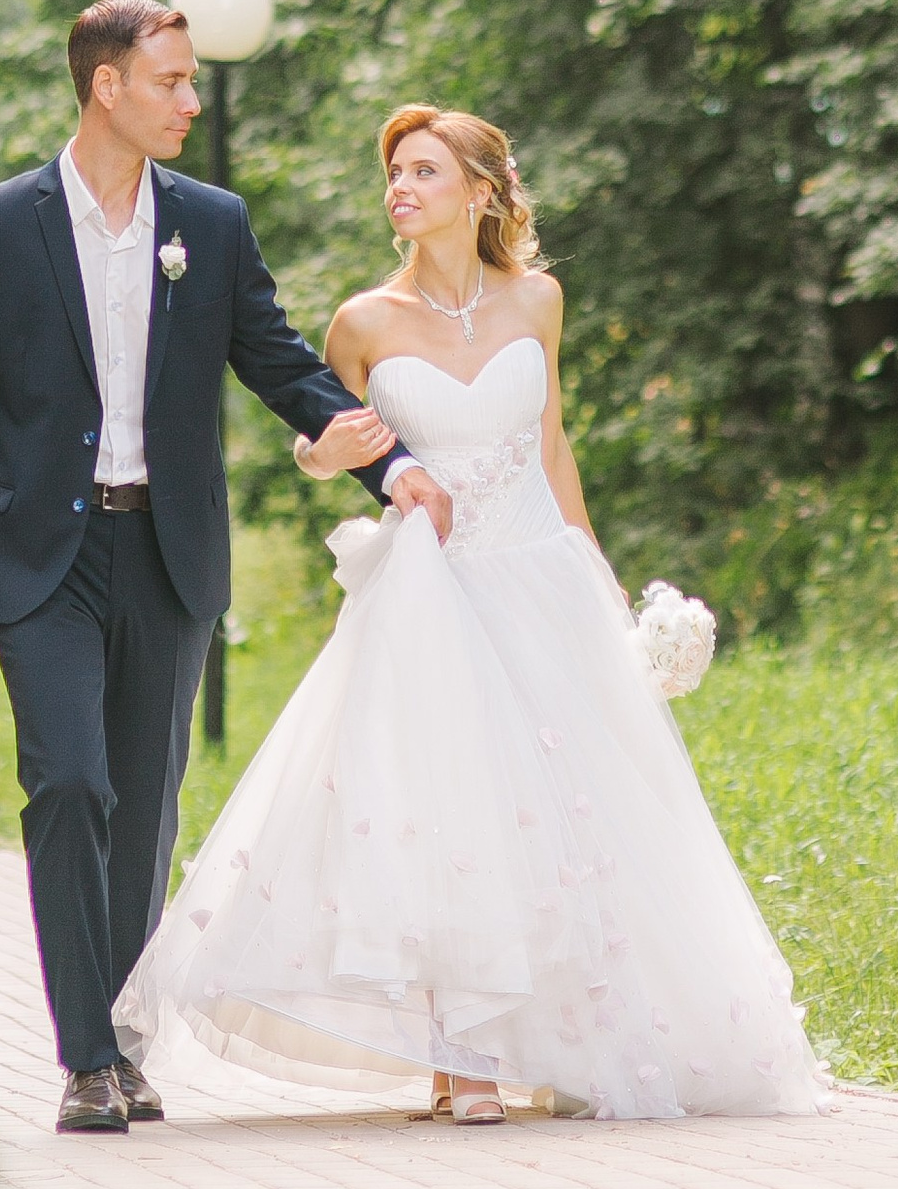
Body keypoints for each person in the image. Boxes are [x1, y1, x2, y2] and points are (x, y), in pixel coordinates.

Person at [115, 106, 826, 1125]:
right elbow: (321, 442)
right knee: (445, 811)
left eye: (424, 171)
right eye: (394, 172)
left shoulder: (538, 298)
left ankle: (576, 1045)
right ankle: (463, 1062)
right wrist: (328, 452)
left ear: (479, 193)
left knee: (577, 816)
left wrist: (596, 573)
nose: (400, 188)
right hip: (431, 591)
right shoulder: (364, 321)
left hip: (540, 576)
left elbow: (552, 443)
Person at [0, 0, 454, 1134]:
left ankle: (126, 1039)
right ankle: (85, 1056)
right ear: (106, 88)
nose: (190, 101)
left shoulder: (211, 225)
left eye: (188, 81)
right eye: (171, 82)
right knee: (70, 784)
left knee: (142, 810)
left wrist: (389, 467)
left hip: (169, 551)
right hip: (44, 555)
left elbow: (279, 362)